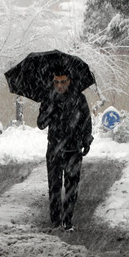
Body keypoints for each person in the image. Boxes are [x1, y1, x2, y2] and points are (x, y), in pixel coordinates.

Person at [37, 67, 93, 231]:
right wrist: (50, 109)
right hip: (54, 149)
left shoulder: (78, 98)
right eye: (56, 82)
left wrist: (87, 140)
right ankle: (55, 221)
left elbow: (86, 121)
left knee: (71, 186)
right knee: (54, 186)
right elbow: (40, 124)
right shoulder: (48, 98)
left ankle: (68, 221)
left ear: (69, 81)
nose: (59, 85)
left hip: (73, 149)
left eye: (63, 82)